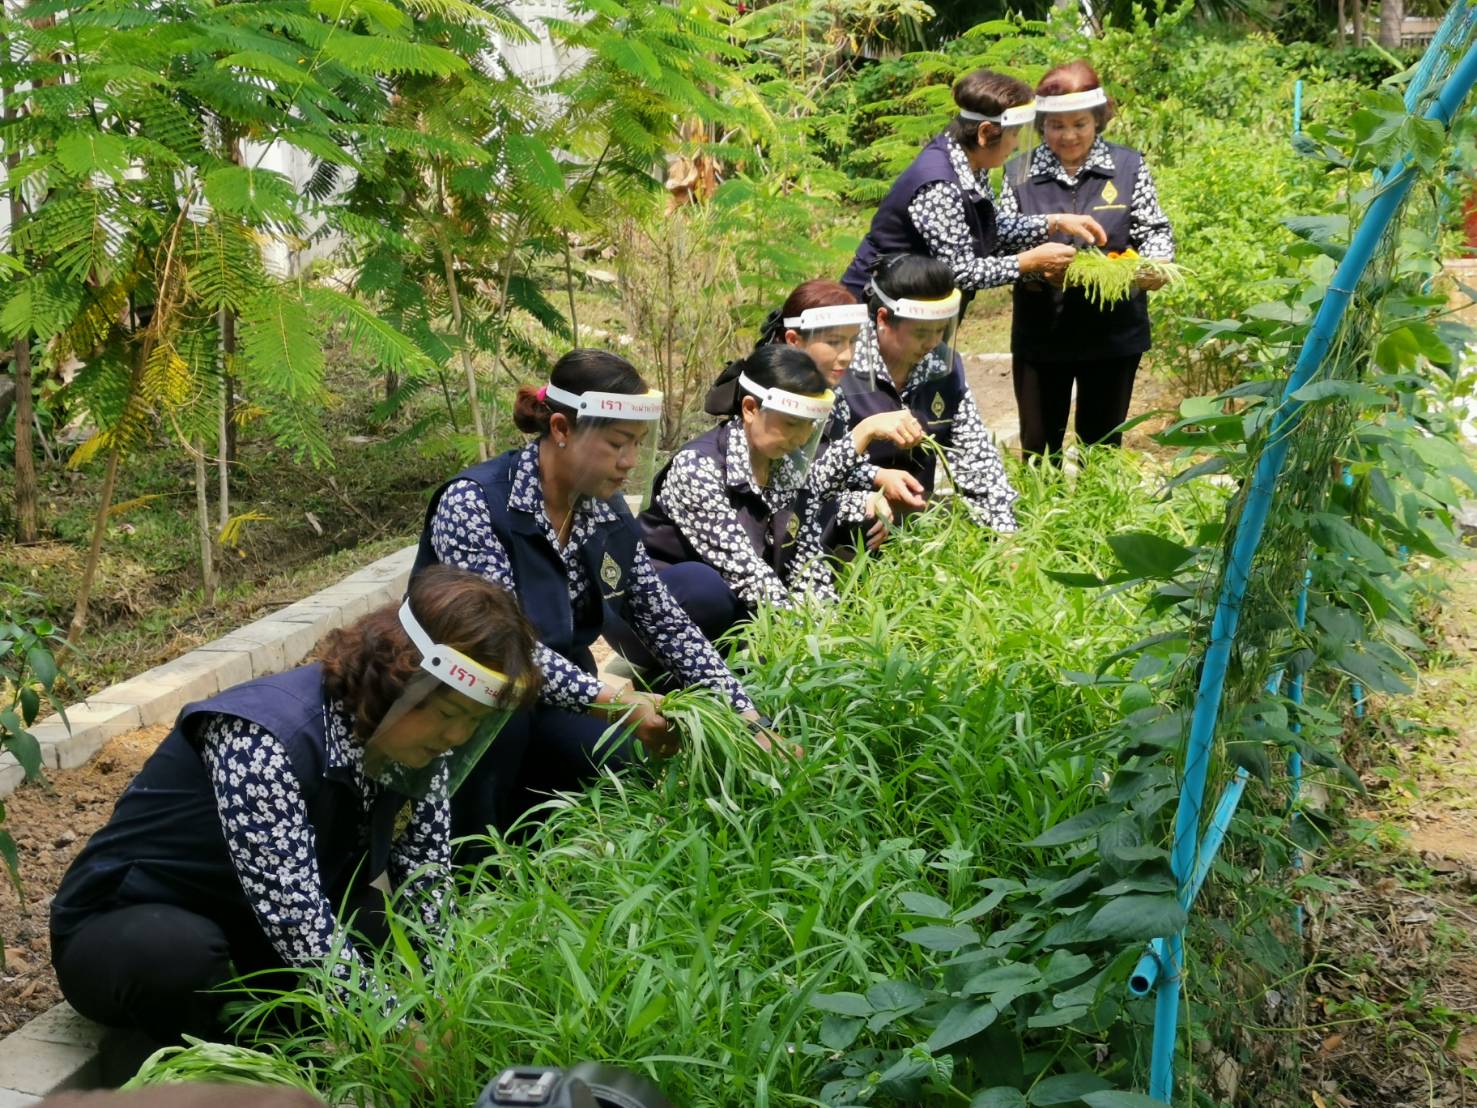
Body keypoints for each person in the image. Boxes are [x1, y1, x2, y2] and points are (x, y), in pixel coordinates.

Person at [49, 567, 540, 1044]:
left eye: (473, 722)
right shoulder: (264, 740)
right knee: (176, 956)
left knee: (379, 920)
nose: (457, 736)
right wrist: (393, 1031)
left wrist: (445, 1004)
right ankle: (230, 1067)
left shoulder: (422, 748)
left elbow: (426, 882)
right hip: (130, 925)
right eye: (450, 713)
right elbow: (296, 918)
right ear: (398, 680)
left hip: (247, 918)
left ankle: (285, 1031)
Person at [411, 349, 773, 840]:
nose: (629, 462)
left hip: (559, 696)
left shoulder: (602, 509)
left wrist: (745, 715)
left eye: (637, 445)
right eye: (617, 444)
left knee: (630, 767)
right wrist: (616, 701)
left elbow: (661, 618)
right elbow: (501, 651)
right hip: (468, 699)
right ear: (562, 429)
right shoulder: (476, 504)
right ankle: (468, 857)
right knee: (499, 747)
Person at [999, 60, 1176, 460]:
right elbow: (1003, 242)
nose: (1068, 136)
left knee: (1102, 447)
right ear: (1041, 125)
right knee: (1039, 450)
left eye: (1080, 124)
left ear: (1098, 119)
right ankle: (1042, 501)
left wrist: (1156, 264)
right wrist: (1035, 266)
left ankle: (1100, 502)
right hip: (1042, 333)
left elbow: (1155, 229)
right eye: (1056, 126)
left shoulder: (1127, 167)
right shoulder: (1018, 173)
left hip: (1113, 332)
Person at [839, 67, 1106, 311]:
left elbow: (989, 228)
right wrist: (1028, 262)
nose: (1016, 145)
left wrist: (1054, 222)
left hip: (911, 305)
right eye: (1014, 134)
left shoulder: (970, 164)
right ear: (985, 133)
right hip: (875, 309)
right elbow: (959, 272)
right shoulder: (940, 185)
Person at [633, 345, 840, 627]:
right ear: (750, 408)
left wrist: (829, 628)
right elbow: (745, 572)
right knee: (705, 588)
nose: (802, 438)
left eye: (809, 426)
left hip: (745, 606)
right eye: (792, 424)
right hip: (660, 609)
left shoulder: (789, 469)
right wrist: (800, 633)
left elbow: (807, 563)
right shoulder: (698, 467)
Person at [841, 254, 1020, 532]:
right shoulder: (841, 366)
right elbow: (813, 468)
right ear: (883, 319)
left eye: (941, 330)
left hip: (914, 522)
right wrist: (870, 485)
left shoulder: (943, 368)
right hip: (841, 523)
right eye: (922, 333)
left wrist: (1005, 532)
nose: (934, 343)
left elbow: (976, 458)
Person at [758, 280, 927, 549]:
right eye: (834, 342)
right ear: (793, 341)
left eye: (853, 340)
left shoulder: (827, 389)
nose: (847, 355)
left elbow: (826, 462)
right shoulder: (772, 401)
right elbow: (801, 489)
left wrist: (877, 476)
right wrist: (866, 430)